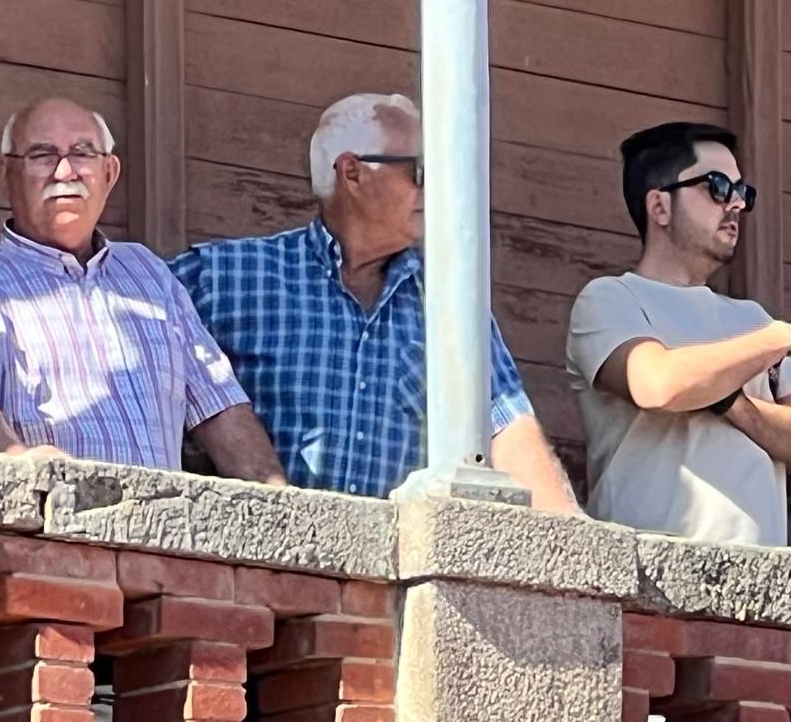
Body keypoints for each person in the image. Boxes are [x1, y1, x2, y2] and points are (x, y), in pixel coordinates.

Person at [172, 92, 579, 511]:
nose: (440, 186)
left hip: (392, 570)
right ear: (352, 172)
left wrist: (578, 549)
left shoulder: (452, 305)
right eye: (421, 170)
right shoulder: (223, 278)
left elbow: (509, 433)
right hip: (256, 563)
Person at [0, 97, 286, 482]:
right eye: (42, 155)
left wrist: (279, 505)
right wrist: (17, 465)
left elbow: (221, 407)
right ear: (5, 173)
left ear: (109, 171)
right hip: (48, 525)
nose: (65, 170)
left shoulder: (148, 275)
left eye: (83, 153)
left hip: (161, 533)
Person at [568, 121, 791, 544]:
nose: (737, 204)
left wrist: (731, 404)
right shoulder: (609, 299)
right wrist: (777, 338)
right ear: (660, 207)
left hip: (763, 588)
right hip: (647, 582)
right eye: (719, 186)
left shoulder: (754, 317)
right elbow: (656, 384)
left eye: (743, 192)